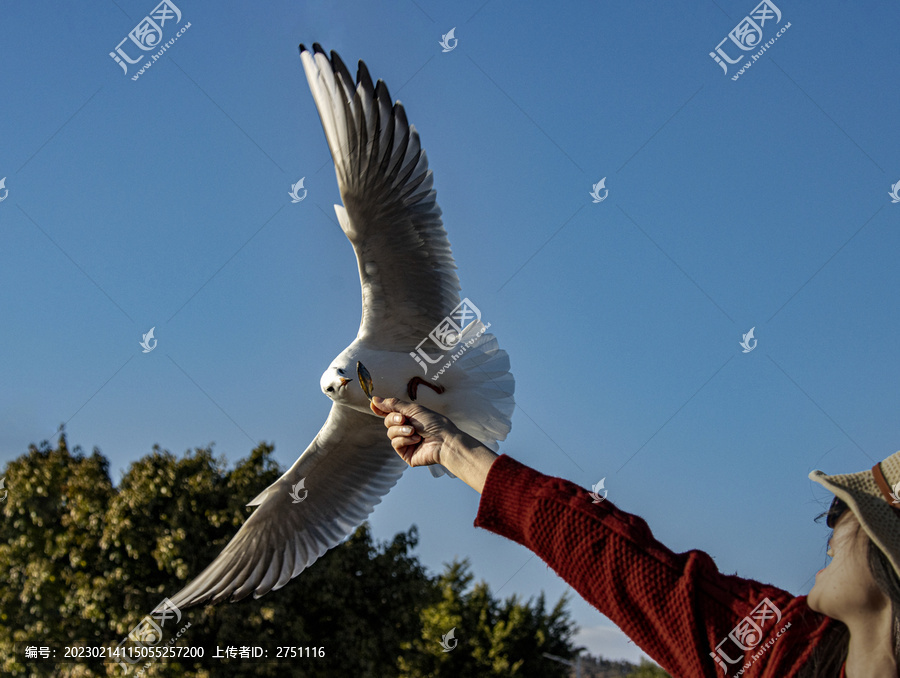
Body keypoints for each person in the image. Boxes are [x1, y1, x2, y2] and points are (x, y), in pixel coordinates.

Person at [369, 395, 900, 678]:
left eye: (848, 509)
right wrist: (454, 450)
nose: (831, 527)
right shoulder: (781, 646)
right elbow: (616, 559)